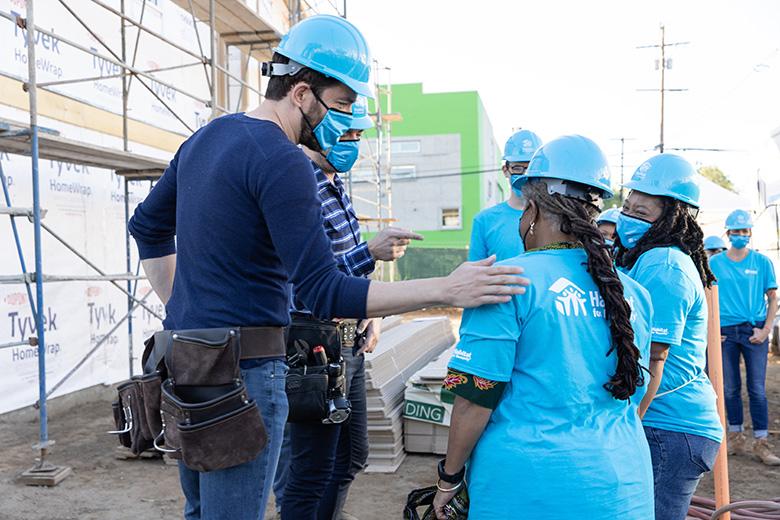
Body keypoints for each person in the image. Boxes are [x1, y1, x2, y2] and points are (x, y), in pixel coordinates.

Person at [128, 15, 527, 520]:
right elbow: (324, 290)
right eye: (340, 105)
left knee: (202, 512)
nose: (346, 121)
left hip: (189, 364)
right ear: (300, 93)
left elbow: (147, 227)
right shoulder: (283, 159)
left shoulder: (207, 139)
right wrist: (448, 288)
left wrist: (179, 310)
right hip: (245, 377)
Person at [433, 135, 654, 520]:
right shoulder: (633, 293)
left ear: (531, 211)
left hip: (528, 490)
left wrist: (448, 478)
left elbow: (473, 399)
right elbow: (636, 393)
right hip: (623, 486)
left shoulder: (506, 284)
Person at [273, 98, 422, 519]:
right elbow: (306, 281)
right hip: (312, 345)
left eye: (359, 136)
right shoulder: (298, 182)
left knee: (351, 456)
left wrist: (368, 311)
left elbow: (343, 268)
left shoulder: (335, 183)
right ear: (320, 126)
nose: (354, 144)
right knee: (308, 469)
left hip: (346, 344)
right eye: (349, 135)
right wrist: (369, 252)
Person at [614, 153, 723, 520]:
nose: (628, 218)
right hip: (666, 423)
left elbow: (654, 357)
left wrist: (628, 425)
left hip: (669, 425)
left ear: (673, 216)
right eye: (627, 207)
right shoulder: (645, 258)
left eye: (641, 213)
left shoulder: (664, 266)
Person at [709, 209, 780, 465]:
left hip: (754, 331)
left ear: (750, 233)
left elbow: (773, 298)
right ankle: (735, 437)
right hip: (725, 333)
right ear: (727, 234)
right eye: (736, 231)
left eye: (744, 231)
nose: (740, 235)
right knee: (729, 389)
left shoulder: (762, 262)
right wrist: (712, 330)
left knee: (757, 389)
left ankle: (761, 442)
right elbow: (706, 297)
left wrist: (766, 329)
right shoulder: (714, 263)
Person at [468, 129, 542, 261]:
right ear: (505, 170)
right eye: (518, 168)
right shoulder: (484, 221)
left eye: (531, 168)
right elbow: (476, 275)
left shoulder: (556, 217)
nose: (525, 175)